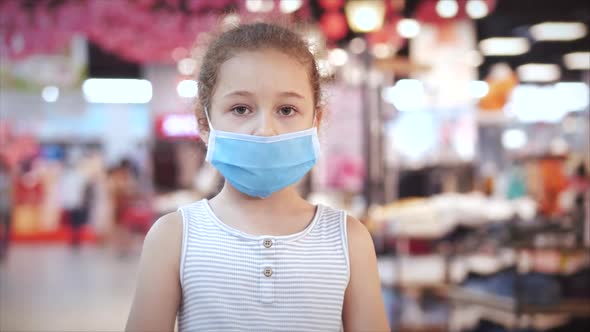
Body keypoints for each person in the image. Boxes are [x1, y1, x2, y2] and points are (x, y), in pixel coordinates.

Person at [126, 22, 389, 332]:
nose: (265, 129)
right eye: (240, 109)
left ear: (316, 121)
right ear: (204, 122)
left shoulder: (349, 240)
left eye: (287, 110)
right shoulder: (174, 237)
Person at [0, 159, 13, 261]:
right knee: (6, 230)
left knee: (6, 230)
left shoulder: (8, 177)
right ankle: (3, 249)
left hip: (6, 207)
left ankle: (3, 250)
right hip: (6, 207)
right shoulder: (8, 177)